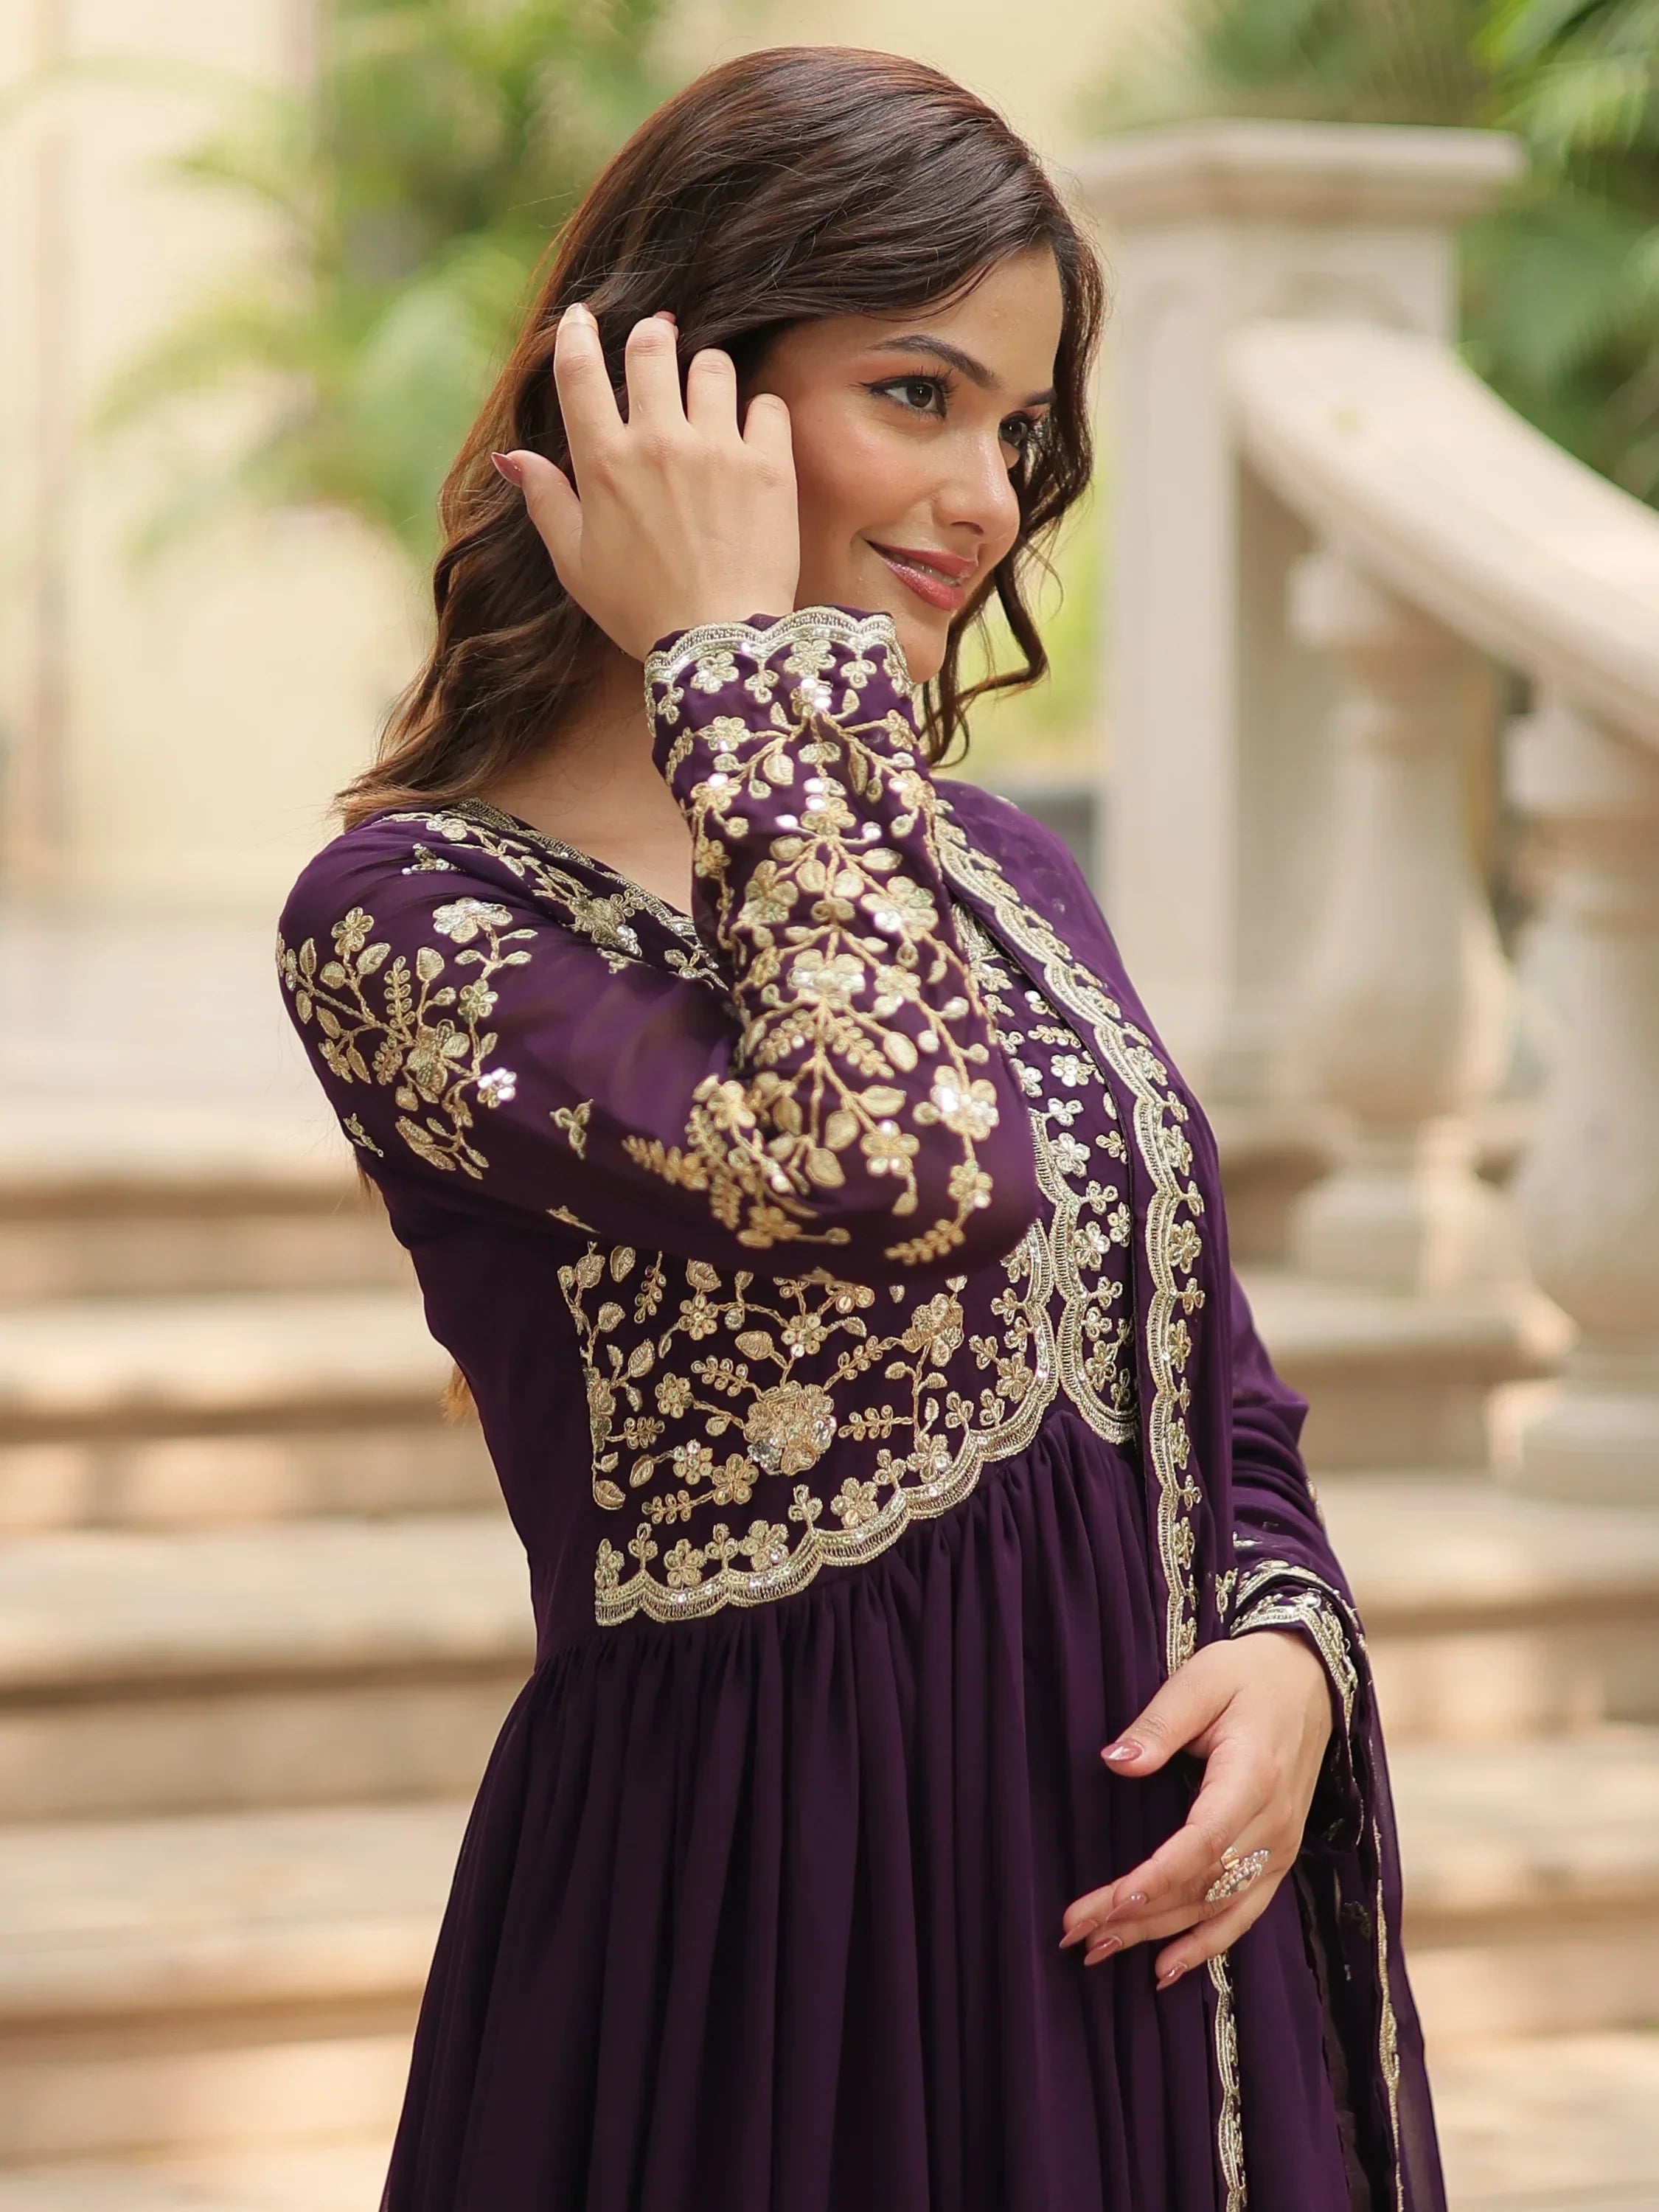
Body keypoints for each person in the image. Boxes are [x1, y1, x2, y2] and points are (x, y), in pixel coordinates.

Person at [276, 45, 1444, 2212]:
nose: (990, 495)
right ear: (665, 392)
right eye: (916, 397)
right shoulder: (411, 921)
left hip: (1141, 1942)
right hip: (779, 1970)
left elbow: (1217, 1390)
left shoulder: (996, 868)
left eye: (1017, 428)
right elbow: (888, 1171)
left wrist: (1285, 1648)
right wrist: (735, 655)